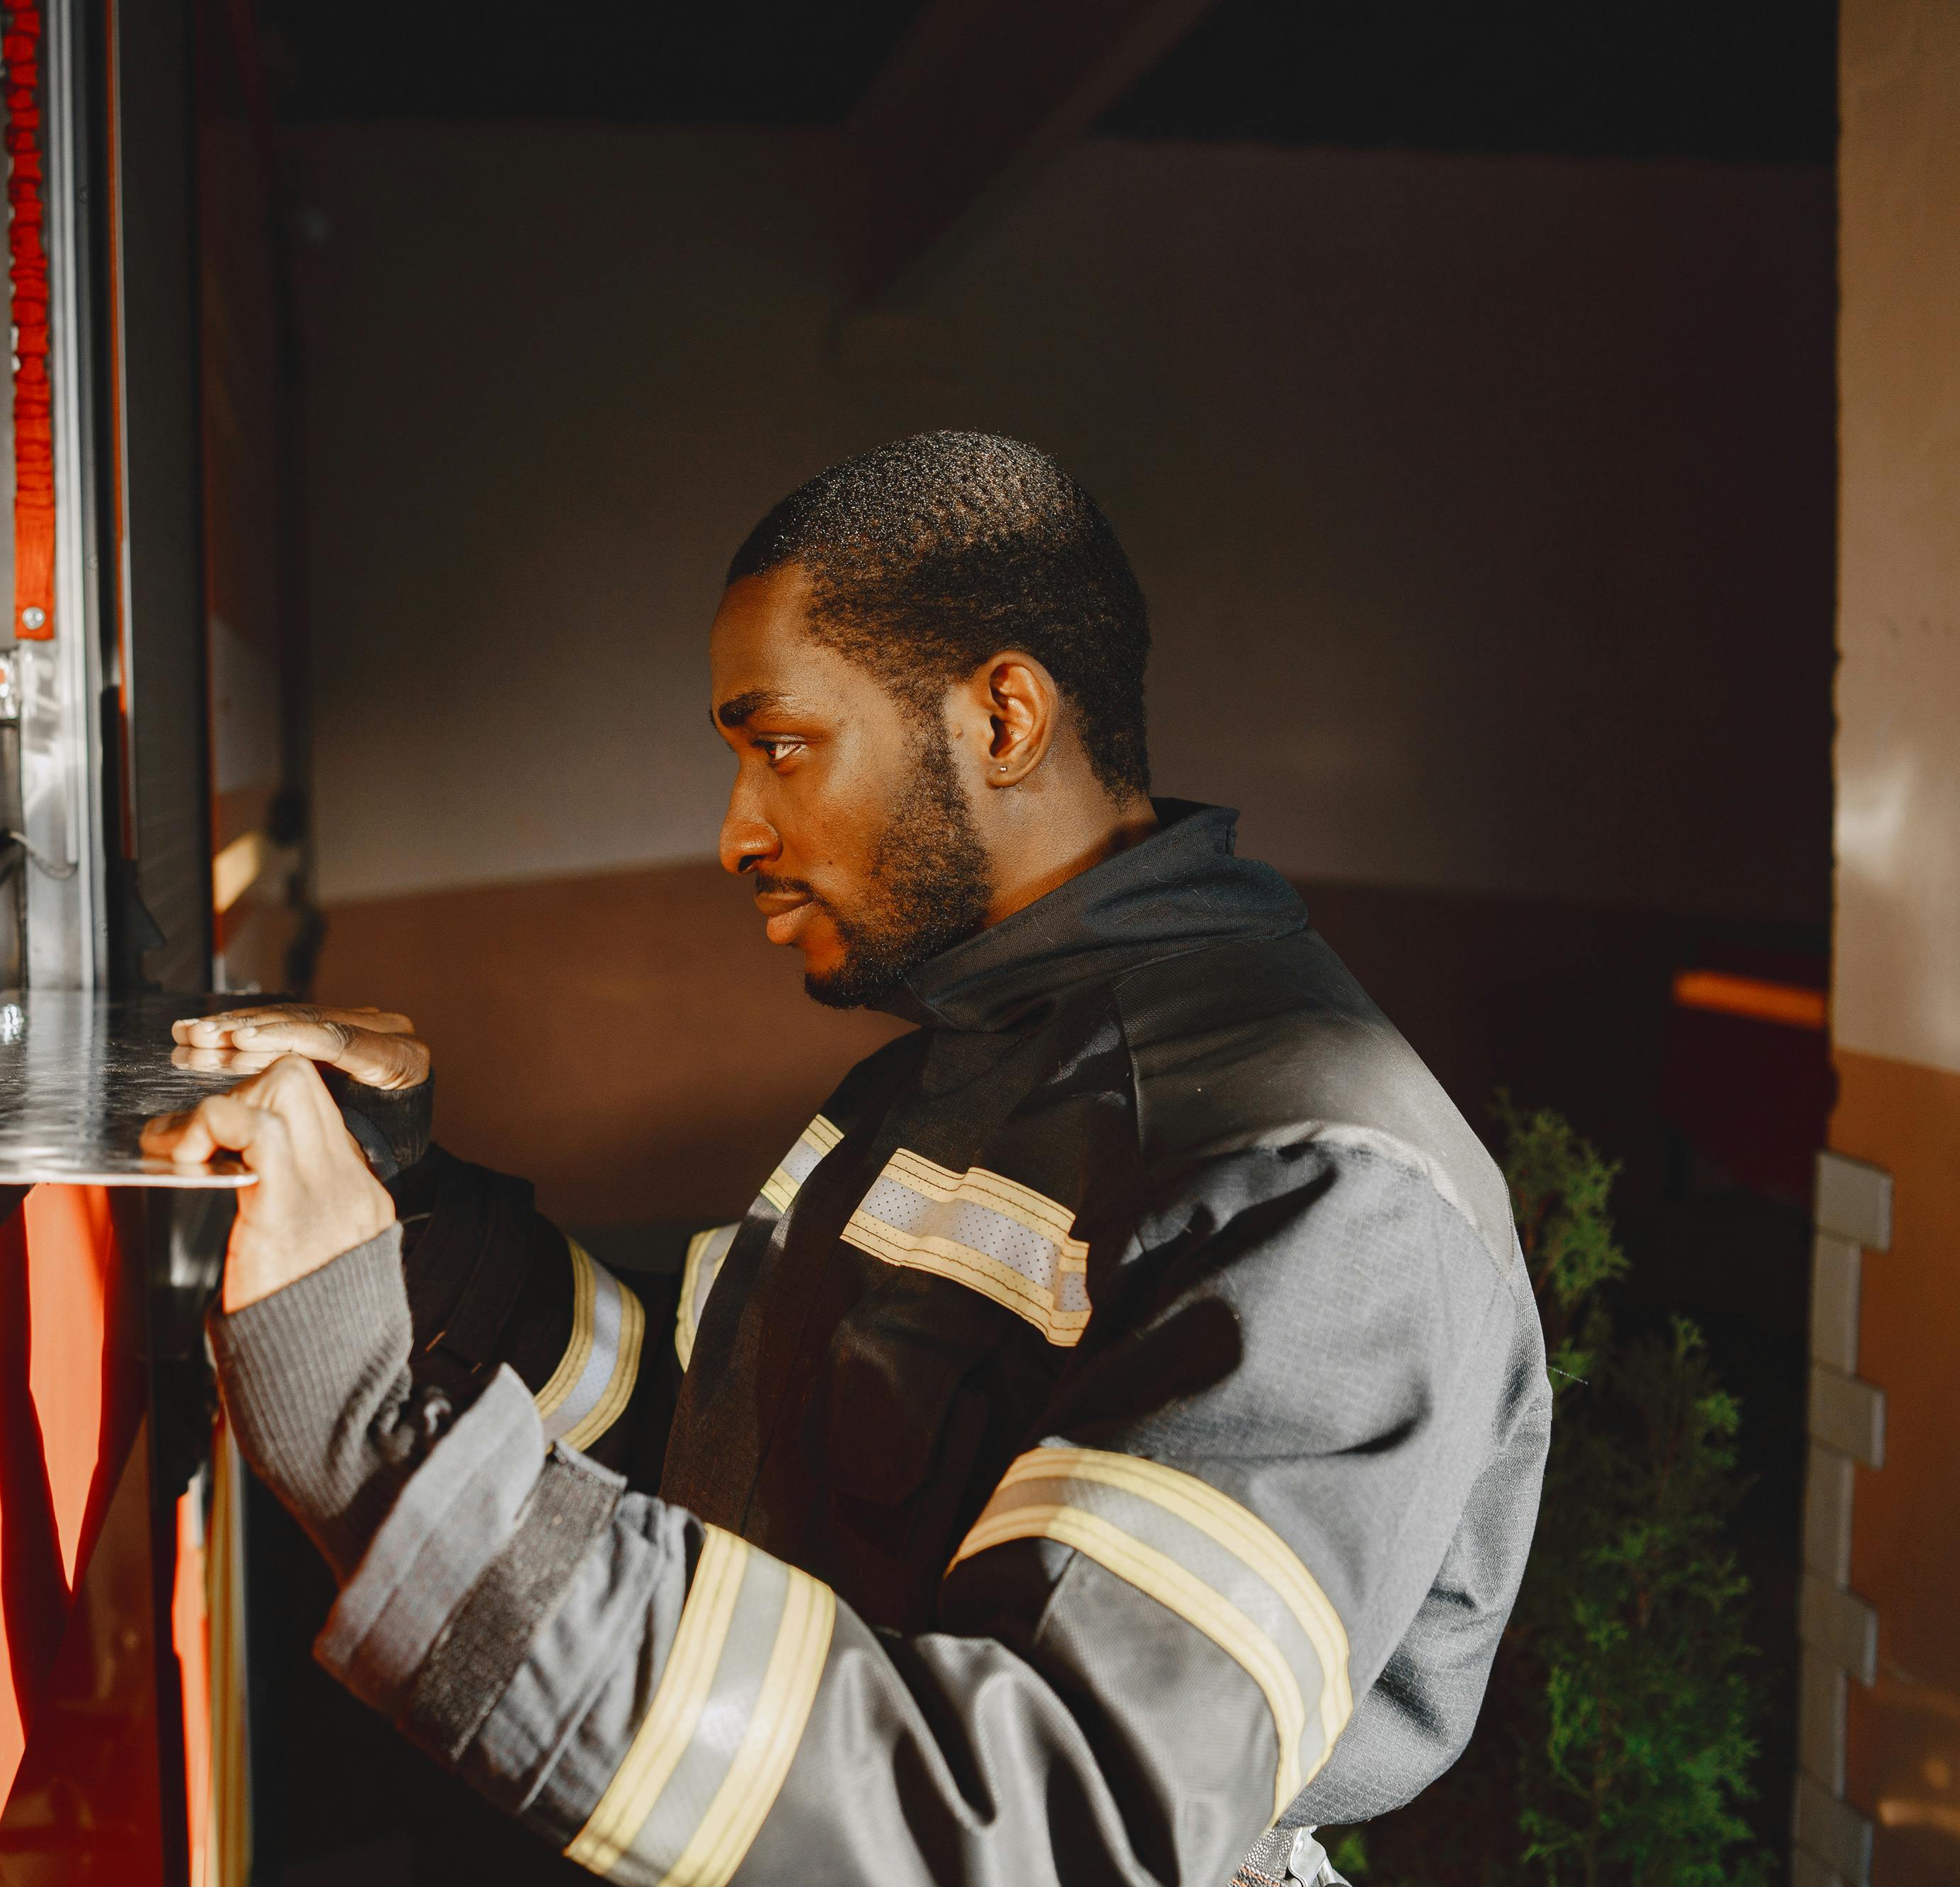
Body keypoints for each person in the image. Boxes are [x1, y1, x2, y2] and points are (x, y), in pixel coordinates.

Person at [147, 433, 1549, 1887]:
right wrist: (396, 1205)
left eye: (779, 743)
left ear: (1002, 717)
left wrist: (373, 1438)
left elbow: (1040, 1819)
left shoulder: (1318, 1180)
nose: (735, 828)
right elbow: (709, 1457)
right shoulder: (947, 1075)